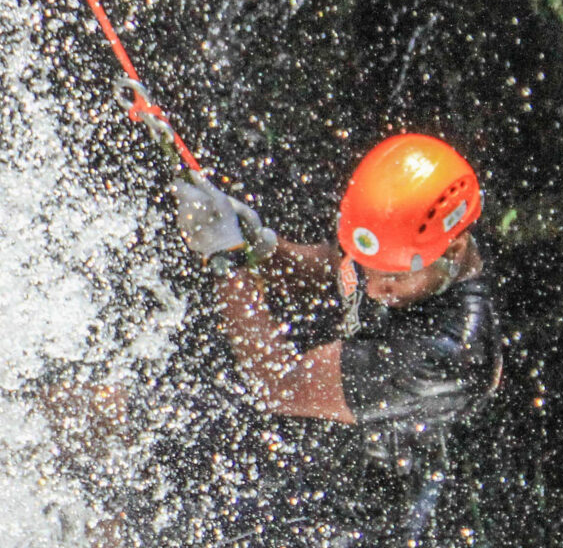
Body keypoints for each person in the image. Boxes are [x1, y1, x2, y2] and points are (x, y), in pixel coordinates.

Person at [169, 133, 500, 471]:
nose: (372, 290)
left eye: (392, 278)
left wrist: (226, 259)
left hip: (379, 510)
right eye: (369, 270)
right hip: (324, 456)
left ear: (455, 251)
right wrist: (263, 249)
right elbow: (338, 270)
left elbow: (279, 384)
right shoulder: (408, 248)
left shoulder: (447, 354)